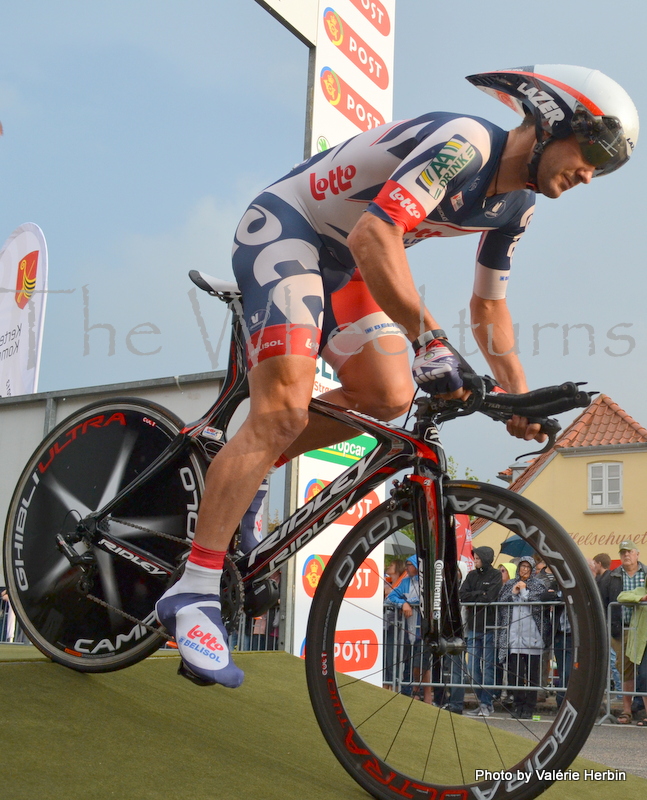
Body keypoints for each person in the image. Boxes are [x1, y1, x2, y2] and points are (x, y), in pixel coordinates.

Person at [155, 65, 640, 687]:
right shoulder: (464, 143)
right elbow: (375, 232)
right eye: (592, 150)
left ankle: (240, 466)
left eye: (607, 166)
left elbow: (489, 305)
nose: (590, 173)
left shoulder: (517, 205)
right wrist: (429, 340)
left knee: (387, 394)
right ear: (549, 120)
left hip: (350, 263)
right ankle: (192, 590)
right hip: (291, 230)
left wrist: (516, 391)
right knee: (282, 408)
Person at [599, 541, 647, 724]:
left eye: (629, 552)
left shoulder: (646, 572)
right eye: (623, 552)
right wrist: (609, 624)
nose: (626, 555)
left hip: (643, 629)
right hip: (621, 629)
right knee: (625, 670)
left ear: (637, 554)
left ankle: (643, 709)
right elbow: (604, 602)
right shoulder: (612, 576)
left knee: (644, 671)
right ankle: (627, 710)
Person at [497, 557, 550, 719]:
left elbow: (539, 601)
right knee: (515, 673)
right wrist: (514, 592)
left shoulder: (538, 585)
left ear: (532, 569)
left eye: (528, 567)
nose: (524, 570)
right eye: (522, 567)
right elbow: (501, 601)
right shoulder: (509, 584)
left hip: (532, 635)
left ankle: (529, 706)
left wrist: (525, 591)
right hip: (514, 635)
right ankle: (518, 705)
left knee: (532, 674)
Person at [456, 547, 502, 716]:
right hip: (473, 627)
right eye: (474, 557)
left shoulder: (496, 575)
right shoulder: (471, 575)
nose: (474, 560)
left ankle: (486, 703)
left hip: (489, 626)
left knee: (488, 667)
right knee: (472, 667)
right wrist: (479, 593)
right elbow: (462, 595)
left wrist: (476, 595)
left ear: (485, 558)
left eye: (477, 558)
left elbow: (490, 597)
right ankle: (482, 701)